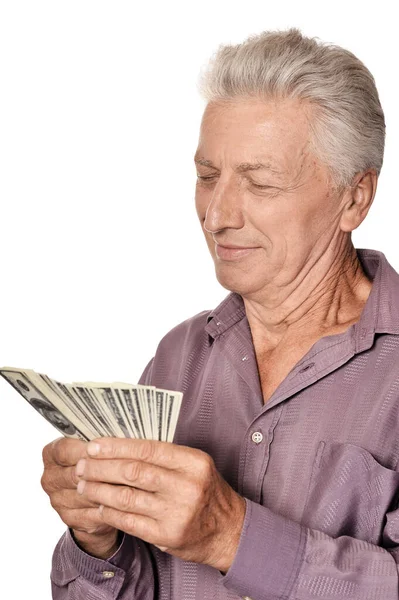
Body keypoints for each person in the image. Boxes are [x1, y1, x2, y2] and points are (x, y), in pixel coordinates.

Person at [41, 27, 399, 599]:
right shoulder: (179, 355)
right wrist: (97, 541)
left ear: (355, 197)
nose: (217, 214)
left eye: (259, 182)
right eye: (208, 176)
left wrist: (231, 536)